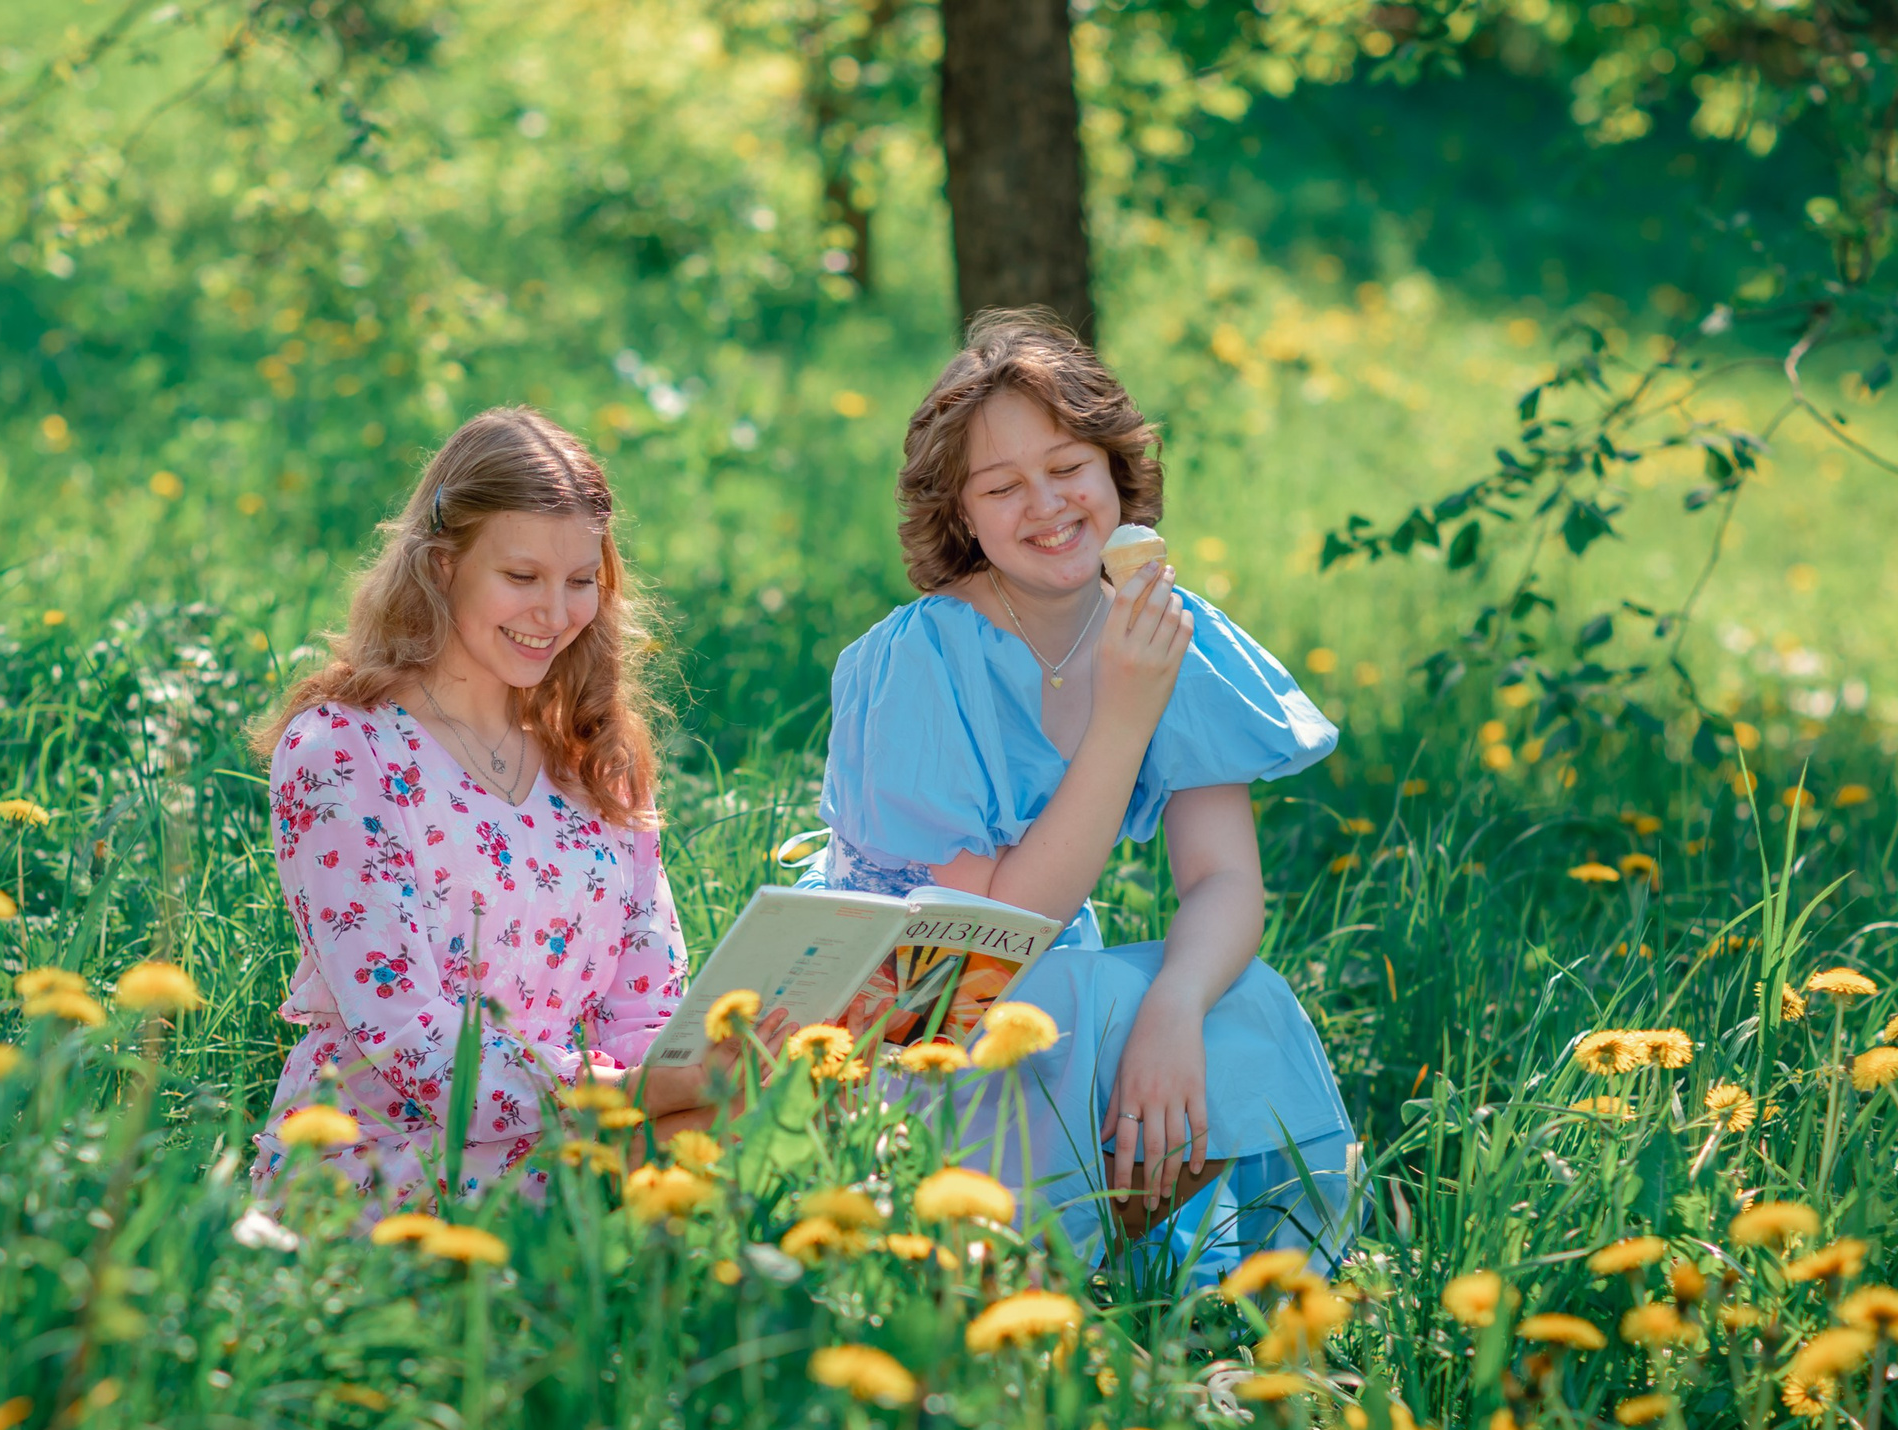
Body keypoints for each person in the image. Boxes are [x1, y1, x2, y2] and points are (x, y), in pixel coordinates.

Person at [809, 311, 1357, 1278]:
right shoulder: (922, 660)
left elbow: (1226, 881)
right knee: (1070, 993)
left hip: (1049, 986)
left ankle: (1292, 1329)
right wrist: (1121, 717)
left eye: (1068, 467)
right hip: (901, 1013)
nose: (1047, 505)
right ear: (961, 514)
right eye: (1001, 485)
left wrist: (1175, 1006)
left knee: (1249, 1002)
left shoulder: (1160, 627)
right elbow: (989, 932)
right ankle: (1029, 1275)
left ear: (1115, 471)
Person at [251, 407, 715, 1205]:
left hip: (577, 1145)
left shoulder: (594, 755)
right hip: (388, 1171)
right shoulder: (341, 751)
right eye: (521, 577)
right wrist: (627, 1099)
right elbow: (408, 1041)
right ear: (439, 567)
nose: (556, 614)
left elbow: (648, 1004)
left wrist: (689, 1089)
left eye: (579, 583)